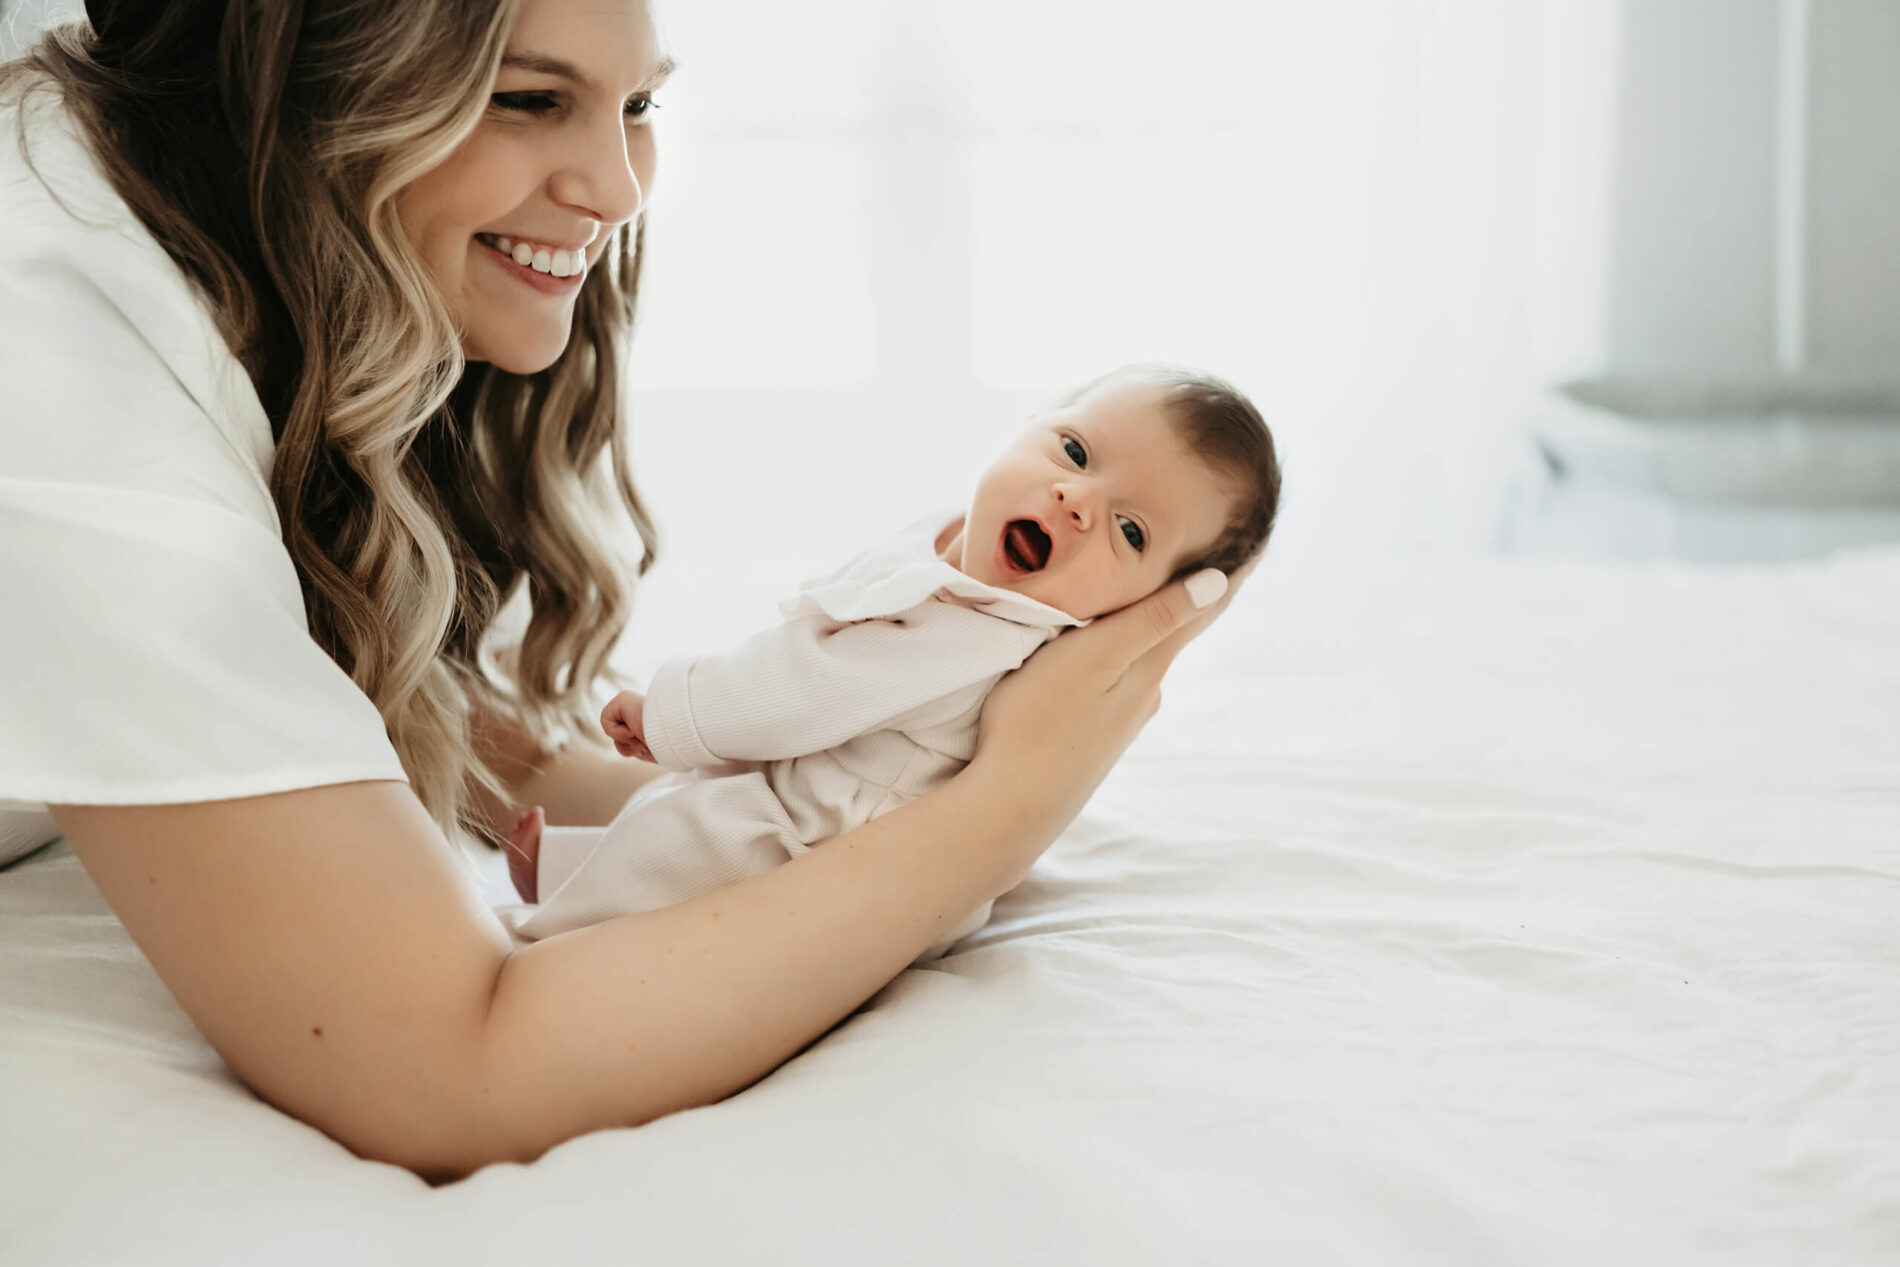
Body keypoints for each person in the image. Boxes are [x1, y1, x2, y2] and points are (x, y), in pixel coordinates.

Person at [0, 0, 1250, 1181]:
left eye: (638, 104)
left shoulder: (234, 258)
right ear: (306, 86)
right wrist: (1003, 811)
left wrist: (884, 782)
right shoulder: (66, 365)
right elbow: (449, 1068)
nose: (618, 185)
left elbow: (428, 727)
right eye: (528, 98)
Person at [505, 365, 1280, 959]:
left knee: (690, 837)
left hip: (817, 844)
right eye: (1075, 451)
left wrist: (677, 712)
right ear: (1029, 424)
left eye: (1130, 531)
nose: (1076, 500)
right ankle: (570, 864)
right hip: (814, 776)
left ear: (1144, 610)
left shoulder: (982, 636)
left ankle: (555, 930)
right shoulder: (961, 545)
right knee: (694, 798)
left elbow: (805, 688)